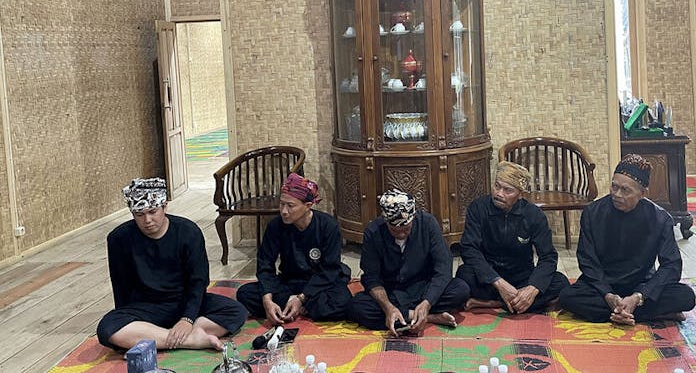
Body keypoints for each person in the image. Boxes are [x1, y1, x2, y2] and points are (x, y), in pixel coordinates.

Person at [97, 178, 248, 351]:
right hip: (145, 308)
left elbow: (198, 282)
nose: (147, 220)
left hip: (183, 302)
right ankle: (191, 340)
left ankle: (153, 339)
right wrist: (125, 322)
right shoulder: (119, 238)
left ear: (165, 206)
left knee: (236, 311)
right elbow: (120, 286)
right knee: (107, 328)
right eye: (140, 214)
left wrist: (187, 319)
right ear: (133, 214)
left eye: (153, 211)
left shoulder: (188, 232)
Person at [559, 154, 696, 325]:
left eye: (625, 190)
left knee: (686, 296)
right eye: (614, 187)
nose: (616, 194)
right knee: (567, 297)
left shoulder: (660, 218)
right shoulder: (593, 212)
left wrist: (639, 297)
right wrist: (608, 295)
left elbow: (671, 266)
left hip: (640, 286)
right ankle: (640, 314)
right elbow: (587, 261)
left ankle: (620, 313)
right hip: (602, 287)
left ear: (642, 193)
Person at [346, 189, 469, 336]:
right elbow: (372, 278)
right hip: (391, 292)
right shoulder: (373, 232)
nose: (401, 234)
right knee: (356, 307)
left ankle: (411, 315)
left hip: (422, 288)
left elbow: (443, 268)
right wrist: (388, 308)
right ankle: (429, 318)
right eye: (395, 231)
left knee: (461, 289)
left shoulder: (428, 224)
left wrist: (427, 303)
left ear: (413, 218)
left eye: (406, 229)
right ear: (386, 223)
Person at [236, 173, 352, 324]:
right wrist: (267, 300)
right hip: (289, 282)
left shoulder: (328, 226)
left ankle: (296, 306)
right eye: (281, 204)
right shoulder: (275, 226)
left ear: (308, 206)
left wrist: (301, 298)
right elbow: (265, 265)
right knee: (245, 294)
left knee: (342, 303)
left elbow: (329, 270)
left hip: (319, 283)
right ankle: (298, 307)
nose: (284, 211)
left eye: (290, 206)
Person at [456, 161, 569, 314]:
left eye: (507, 190)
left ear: (521, 195)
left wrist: (532, 290)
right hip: (490, 278)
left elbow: (548, 257)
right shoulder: (478, 208)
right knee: (463, 277)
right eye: (497, 186)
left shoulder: (534, 215)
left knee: (561, 283)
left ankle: (493, 304)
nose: (499, 193)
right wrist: (499, 283)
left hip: (521, 276)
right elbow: (469, 249)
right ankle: (514, 303)